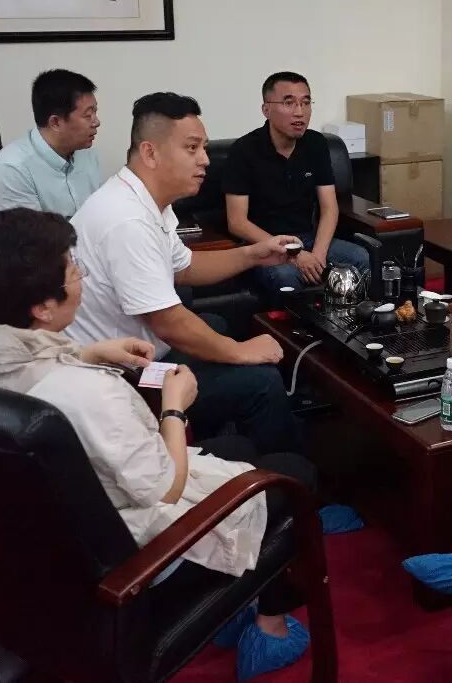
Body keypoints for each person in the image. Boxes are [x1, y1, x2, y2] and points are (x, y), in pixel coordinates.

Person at [0, 209, 313, 678]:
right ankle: (271, 628)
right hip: (128, 567)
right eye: (73, 271)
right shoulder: (86, 393)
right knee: (294, 474)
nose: (82, 277)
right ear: (43, 308)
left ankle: (240, 603)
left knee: (239, 452)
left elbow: (26, 366)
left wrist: (86, 353)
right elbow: (164, 488)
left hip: (44, 548)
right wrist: (175, 407)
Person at [66, 92, 305, 455]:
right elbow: (168, 322)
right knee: (261, 380)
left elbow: (185, 267)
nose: (205, 159)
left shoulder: (146, 201)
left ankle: (215, 441)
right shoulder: (126, 221)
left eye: (203, 148)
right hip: (122, 378)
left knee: (217, 324)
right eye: (192, 148)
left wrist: (253, 255)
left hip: (140, 348)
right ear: (150, 153)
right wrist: (240, 352)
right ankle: (283, 473)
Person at [223, 71, 371, 302]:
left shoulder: (316, 144)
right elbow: (237, 223)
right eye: (289, 103)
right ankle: (298, 327)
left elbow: (329, 207)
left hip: (308, 238)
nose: (299, 112)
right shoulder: (244, 151)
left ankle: (352, 320)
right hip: (264, 245)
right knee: (286, 276)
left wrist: (318, 255)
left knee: (360, 257)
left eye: (305, 102)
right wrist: (295, 255)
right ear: (266, 109)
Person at [0, 69, 105, 216]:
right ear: (55, 122)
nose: (96, 122)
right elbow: (30, 230)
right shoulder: (12, 169)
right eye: (88, 115)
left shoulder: (88, 154)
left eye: (95, 112)